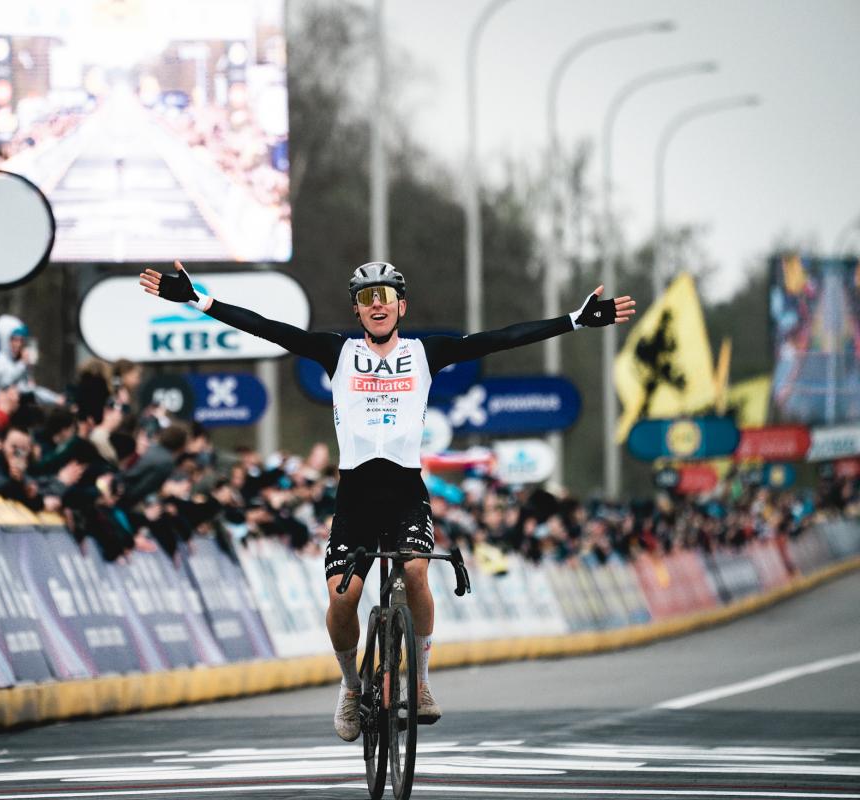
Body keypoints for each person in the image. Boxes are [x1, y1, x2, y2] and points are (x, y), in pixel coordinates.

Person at [140, 259, 635, 740]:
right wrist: (198, 300)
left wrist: (574, 320)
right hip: (355, 493)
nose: (377, 305)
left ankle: (419, 682)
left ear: (402, 305)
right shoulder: (336, 351)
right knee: (344, 597)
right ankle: (351, 686)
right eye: (366, 298)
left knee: (417, 570)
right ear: (357, 310)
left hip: (405, 491)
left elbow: (501, 338)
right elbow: (267, 328)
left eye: (386, 297)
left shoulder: (426, 353)